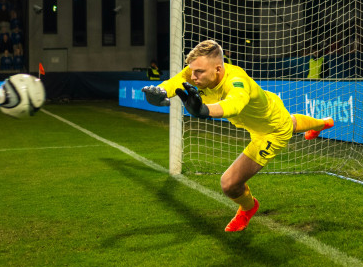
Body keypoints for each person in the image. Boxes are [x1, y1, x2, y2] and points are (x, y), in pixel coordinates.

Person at [143, 39, 334, 232]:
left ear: (218, 69)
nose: (193, 76)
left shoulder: (236, 81)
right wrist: (160, 91)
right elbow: (176, 81)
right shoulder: (197, 73)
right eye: (192, 71)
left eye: (199, 72)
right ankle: (324, 123)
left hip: (270, 133)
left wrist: (203, 110)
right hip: (269, 110)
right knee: (289, 122)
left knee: (229, 184)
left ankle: (248, 208)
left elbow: (233, 105)